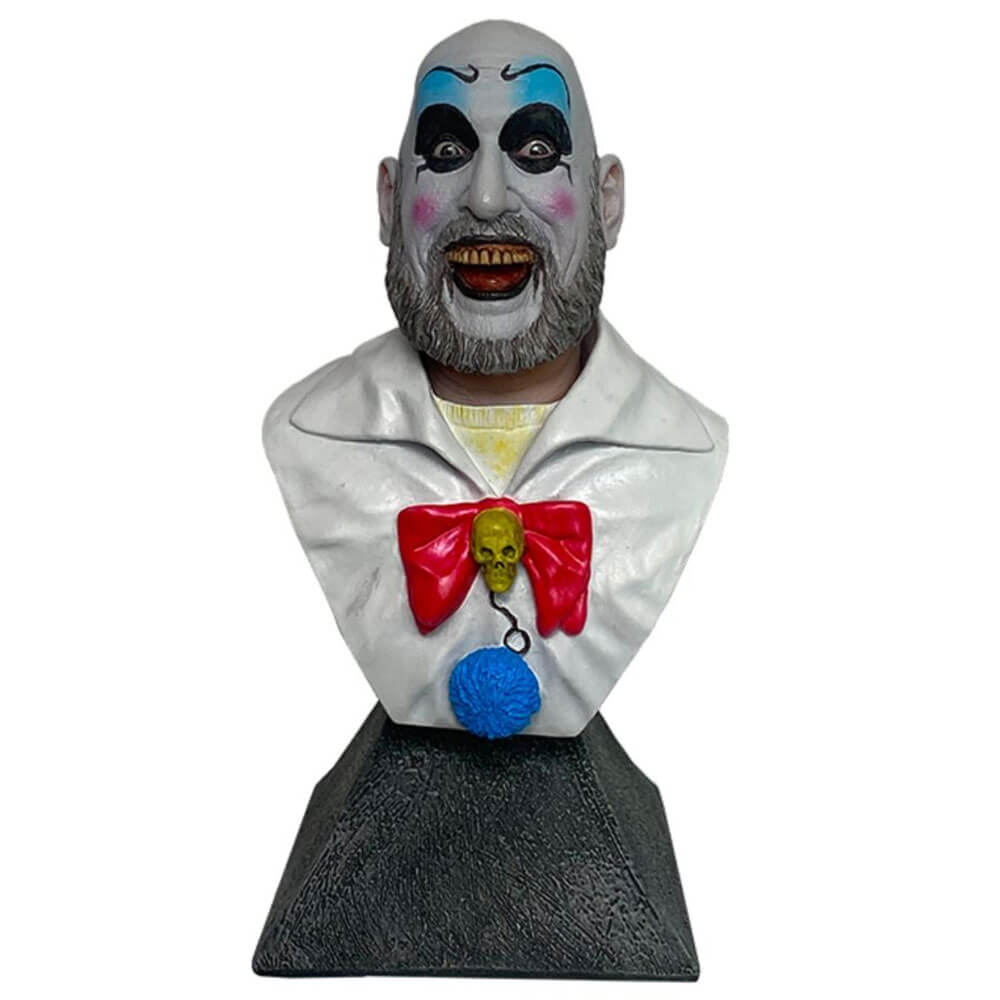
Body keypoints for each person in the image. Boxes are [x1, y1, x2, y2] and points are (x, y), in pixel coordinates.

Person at [264, 20, 727, 738]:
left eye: (535, 152)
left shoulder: (686, 447)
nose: (485, 200)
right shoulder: (306, 431)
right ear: (389, 200)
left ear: (606, 202)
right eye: (447, 153)